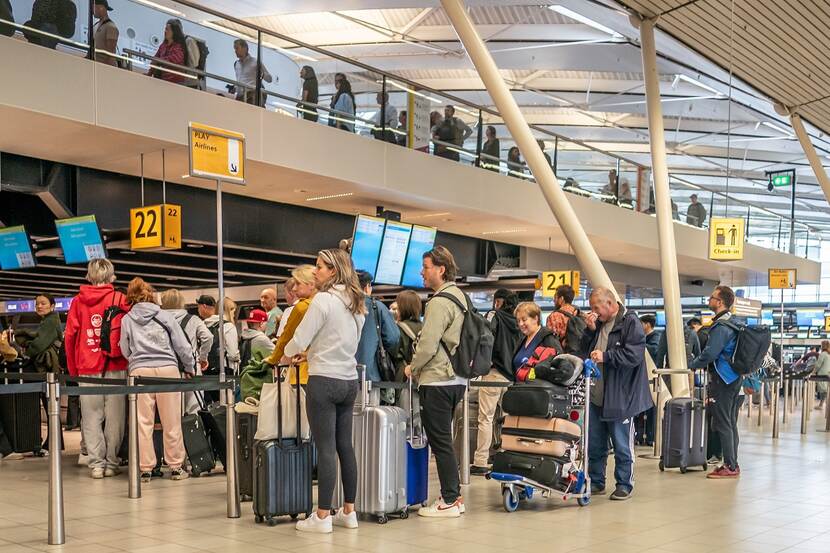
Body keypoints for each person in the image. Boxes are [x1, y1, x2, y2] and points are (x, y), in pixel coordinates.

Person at [282, 249, 365, 534]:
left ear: (333, 271)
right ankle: (349, 511)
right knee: (345, 446)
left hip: (323, 382)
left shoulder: (323, 301)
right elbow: (341, 341)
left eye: (319, 267)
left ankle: (322, 516)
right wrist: (314, 353)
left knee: (326, 448)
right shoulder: (356, 303)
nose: (315, 271)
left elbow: (299, 339)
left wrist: (291, 353)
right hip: (348, 381)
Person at [404, 246, 468, 517]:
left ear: (441, 270)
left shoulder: (440, 302)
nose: (422, 271)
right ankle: (452, 496)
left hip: (438, 379)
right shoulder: (461, 298)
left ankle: (451, 499)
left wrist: (413, 368)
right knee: (444, 440)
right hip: (456, 378)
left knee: (440, 441)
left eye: (426, 266)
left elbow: (428, 344)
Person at [119, 278, 195, 482]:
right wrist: (189, 367)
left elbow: (124, 348)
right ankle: (176, 466)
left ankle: (146, 468)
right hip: (167, 370)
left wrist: (136, 360)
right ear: (151, 294)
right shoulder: (164, 315)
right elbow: (182, 345)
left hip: (140, 372)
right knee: (171, 420)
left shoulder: (127, 319)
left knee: (143, 422)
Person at [582, 287, 651, 501]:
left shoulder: (630, 323)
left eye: (596, 308)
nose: (593, 312)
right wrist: (590, 331)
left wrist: (606, 356)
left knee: (621, 443)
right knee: (595, 442)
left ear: (610, 304)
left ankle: (624, 483)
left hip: (621, 395)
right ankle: (596, 480)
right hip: (597, 394)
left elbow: (634, 355)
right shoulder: (600, 324)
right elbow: (583, 350)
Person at [64, 259, 130, 479]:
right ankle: (112, 462)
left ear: (89, 275)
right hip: (115, 364)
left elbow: (70, 337)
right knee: (116, 416)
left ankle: (96, 465)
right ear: (111, 275)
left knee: (91, 416)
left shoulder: (77, 301)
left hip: (87, 366)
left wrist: (74, 369)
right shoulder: (120, 299)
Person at [688, 285, 742, 479]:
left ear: (719, 302)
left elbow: (711, 353)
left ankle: (730, 465)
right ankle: (732, 463)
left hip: (723, 379)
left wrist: (693, 364)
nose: (708, 300)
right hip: (734, 377)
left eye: (712, 298)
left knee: (723, 423)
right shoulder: (733, 322)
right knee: (730, 423)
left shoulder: (721, 326)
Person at [470, 290, 521, 476]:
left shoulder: (494, 316)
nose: (494, 303)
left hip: (493, 374)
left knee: (486, 418)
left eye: (496, 300)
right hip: (511, 377)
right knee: (508, 420)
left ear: (500, 301)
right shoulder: (519, 321)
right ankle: (506, 456)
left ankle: (481, 461)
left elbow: (484, 337)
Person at [16, 294, 64, 452]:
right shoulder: (47, 321)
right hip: (50, 372)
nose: (39, 306)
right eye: (37, 304)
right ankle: (54, 442)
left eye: (43, 303)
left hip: (48, 371)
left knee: (50, 406)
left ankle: (54, 442)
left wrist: (28, 349)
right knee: (51, 407)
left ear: (52, 306)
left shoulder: (50, 321)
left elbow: (39, 345)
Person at [160, 289, 212, 415]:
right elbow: (208, 337)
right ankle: (193, 434)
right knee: (194, 409)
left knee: (169, 412)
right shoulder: (193, 319)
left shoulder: (159, 320)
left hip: (166, 369)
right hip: (191, 369)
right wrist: (203, 357)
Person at [266, 266, 316, 385]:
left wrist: (272, 359)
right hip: (332, 372)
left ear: (311, 284)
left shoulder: (301, 307)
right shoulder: (330, 304)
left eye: (298, 283)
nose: (294, 288)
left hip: (303, 372)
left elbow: (285, 337)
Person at [355, 271, 400, 387]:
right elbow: (393, 339)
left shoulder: (341, 305)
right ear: (367, 287)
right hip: (371, 374)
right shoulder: (377, 307)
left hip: (342, 374)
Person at [203, 297, 240, 402]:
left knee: (212, 404)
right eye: (233, 310)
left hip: (207, 371)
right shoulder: (228, 326)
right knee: (227, 404)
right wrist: (238, 357)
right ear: (228, 310)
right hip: (225, 371)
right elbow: (232, 354)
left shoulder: (204, 324)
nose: (234, 314)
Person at [638, 314, 662, 446]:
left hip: (652, 378)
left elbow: (654, 350)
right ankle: (642, 436)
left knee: (651, 409)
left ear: (647, 324)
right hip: (644, 377)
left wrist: (640, 345)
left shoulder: (655, 337)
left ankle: (650, 437)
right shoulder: (648, 337)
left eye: (641, 323)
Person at [545, 285, 586, 356]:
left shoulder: (555, 316)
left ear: (561, 299)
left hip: (563, 358)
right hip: (579, 355)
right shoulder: (580, 314)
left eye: (555, 297)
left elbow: (551, 342)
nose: (553, 300)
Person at [390, 290, 422, 381]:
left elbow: (393, 352)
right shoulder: (425, 327)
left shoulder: (397, 328)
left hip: (403, 375)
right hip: (422, 376)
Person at [147, 19, 188, 85]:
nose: (165, 31)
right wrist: (149, 74)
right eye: (165, 29)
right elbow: (155, 60)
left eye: (167, 29)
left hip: (176, 82)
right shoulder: (163, 46)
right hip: (164, 79)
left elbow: (176, 59)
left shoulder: (178, 46)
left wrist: (160, 60)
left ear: (174, 32)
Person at [232, 38, 272, 105]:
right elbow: (241, 80)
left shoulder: (255, 62)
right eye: (234, 49)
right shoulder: (236, 64)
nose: (235, 51)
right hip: (239, 96)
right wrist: (235, 88)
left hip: (251, 95)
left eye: (237, 48)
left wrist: (262, 74)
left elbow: (269, 79)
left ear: (244, 48)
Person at [92, 0, 118, 67]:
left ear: (101, 8)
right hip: (95, 65)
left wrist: (106, 69)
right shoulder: (95, 26)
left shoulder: (110, 27)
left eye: (94, 7)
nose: (92, 10)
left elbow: (110, 53)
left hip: (104, 68)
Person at [814, 340, 830, 410]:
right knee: (826, 390)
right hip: (828, 374)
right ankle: (822, 404)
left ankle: (821, 405)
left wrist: (814, 372)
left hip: (822, 375)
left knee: (823, 391)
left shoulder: (823, 354)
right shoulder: (829, 354)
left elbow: (818, 365)